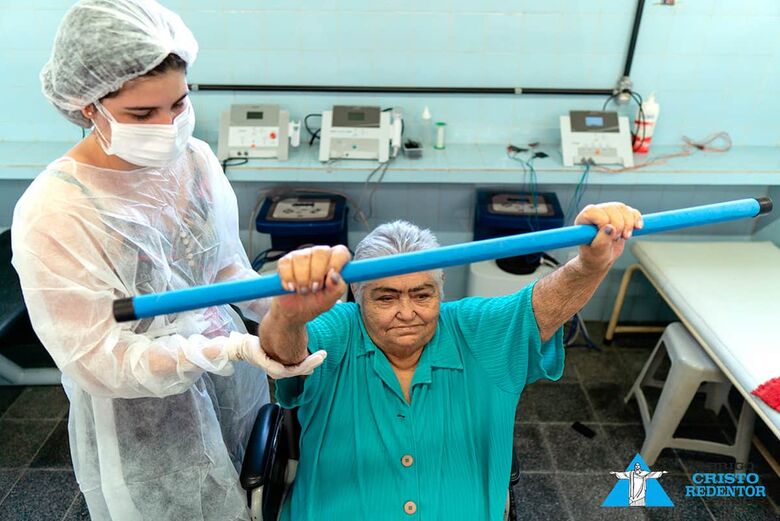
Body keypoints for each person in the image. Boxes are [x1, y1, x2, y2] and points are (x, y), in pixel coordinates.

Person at [11, 1, 324, 519]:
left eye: (178, 104)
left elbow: (223, 270)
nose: (167, 126)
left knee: (253, 492)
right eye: (141, 114)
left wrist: (284, 299)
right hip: (145, 426)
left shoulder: (195, 160)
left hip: (232, 391)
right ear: (89, 106)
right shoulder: (56, 209)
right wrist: (225, 350)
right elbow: (95, 359)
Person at [260, 204, 643, 520]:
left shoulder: (475, 332)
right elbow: (287, 355)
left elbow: (542, 305)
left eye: (422, 295)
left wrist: (591, 264)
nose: (406, 312)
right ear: (357, 299)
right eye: (386, 298)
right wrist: (288, 316)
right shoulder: (341, 331)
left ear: (441, 293)